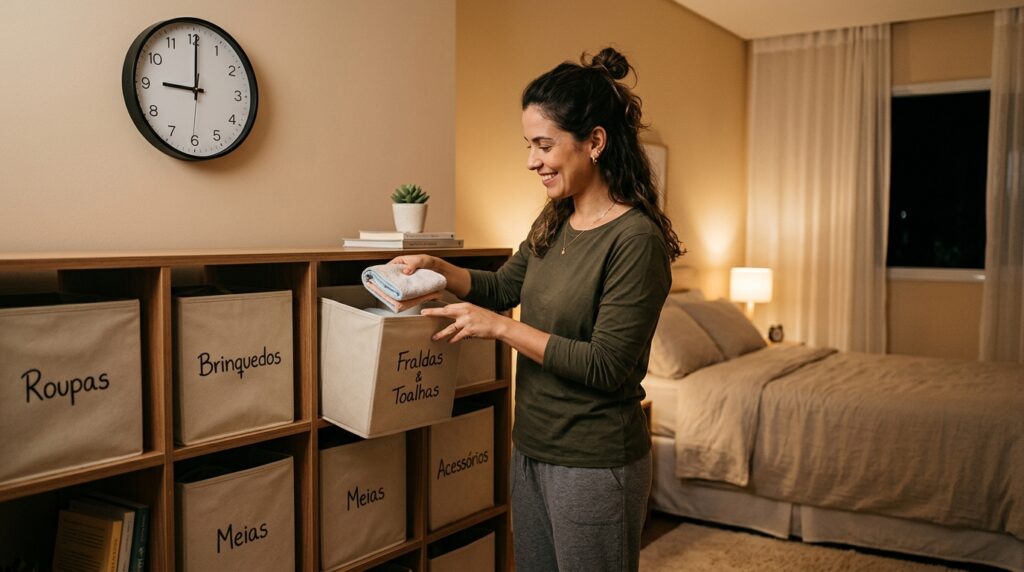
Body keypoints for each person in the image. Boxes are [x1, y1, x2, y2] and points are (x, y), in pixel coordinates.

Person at [392, 46, 684, 572]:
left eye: (544, 145)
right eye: (528, 145)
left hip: (595, 463)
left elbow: (605, 365)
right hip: (531, 446)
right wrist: (439, 268)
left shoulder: (635, 240)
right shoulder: (554, 221)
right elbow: (504, 286)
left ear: (595, 141)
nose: (532, 160)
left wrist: (502, 331)